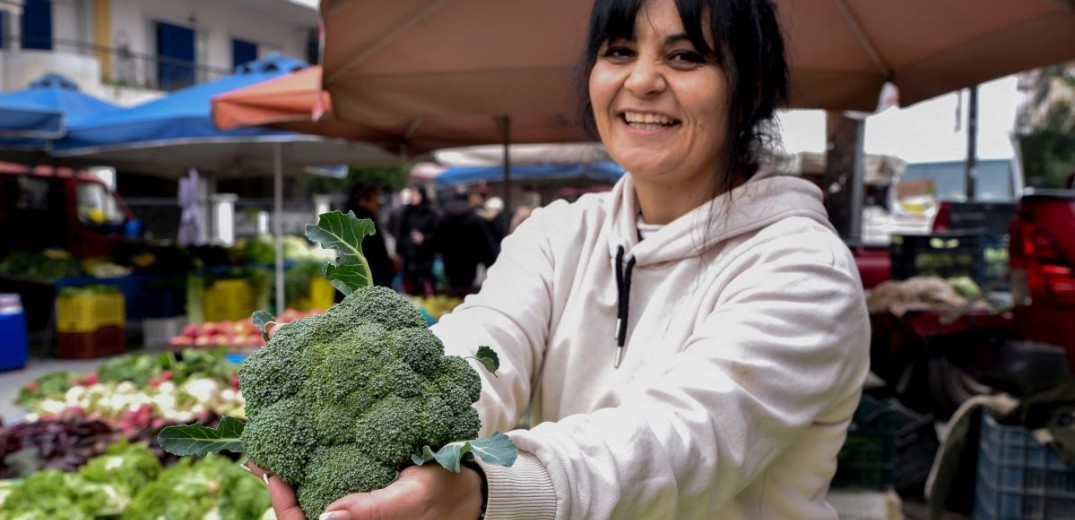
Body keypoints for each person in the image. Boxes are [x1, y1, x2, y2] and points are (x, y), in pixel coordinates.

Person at [256, 0, 870, 518]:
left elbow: (684, 445)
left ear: (752, 88)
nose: (643, 81)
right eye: (620, 51)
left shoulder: (804, 270)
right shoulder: (557, 233)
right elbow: (479, 350)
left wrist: (483, 492)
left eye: (685, 56)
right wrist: (368, 386)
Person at [432, 188, 501, 297]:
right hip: (470, 262)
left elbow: (435, 238)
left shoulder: (444, 217)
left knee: (453, 292)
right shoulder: (474, 217)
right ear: (468, 198)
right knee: (467, 292)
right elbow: (484, 241)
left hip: (450, 260)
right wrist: (489, 261)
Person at [342, 182, 396, 288]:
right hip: (370, 279)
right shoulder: (365, 220)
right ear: (365, 200)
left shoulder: (349, 218)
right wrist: (389, 265)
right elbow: (375, 253)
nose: (378, 202)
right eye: (376, 197)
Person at [396, 185, 439, 295]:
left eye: (416, 194)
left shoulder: (430, 212)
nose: (413, 197)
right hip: (410, 256)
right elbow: (401, 232)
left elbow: (436, 234)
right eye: (412, 194)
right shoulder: (407, 212)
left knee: (428, 283)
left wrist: (424, 238)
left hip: (425, 255)